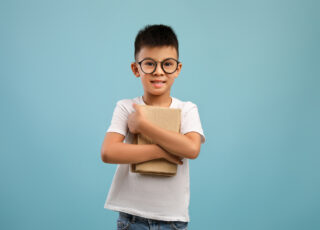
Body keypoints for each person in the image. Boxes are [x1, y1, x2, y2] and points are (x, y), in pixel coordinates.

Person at [101, 24, 205, 230]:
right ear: (135, 69)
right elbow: (108, 152)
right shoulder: (126, 107)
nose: (159, 72)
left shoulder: (186, 109)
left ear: (178, 69)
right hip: (132, 218)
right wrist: (162, 152)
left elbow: (192, 149)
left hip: (173, 220)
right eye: (149, 64)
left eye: (167, 64)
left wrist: (144, 126)